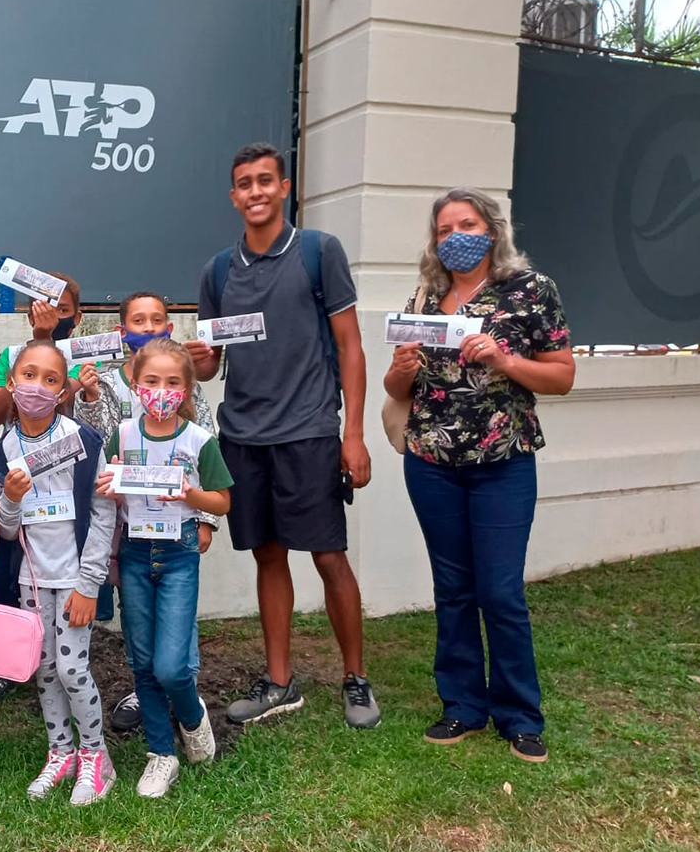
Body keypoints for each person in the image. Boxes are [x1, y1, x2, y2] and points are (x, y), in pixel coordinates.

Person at [186, 142, 380, 730]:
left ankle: (356, 678)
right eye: (244, 183)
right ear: (233, 196)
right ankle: (279, 682)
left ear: (285, 186)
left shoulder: (320, 252)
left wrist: (354, 434)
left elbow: (350, 346)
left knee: (329, 556)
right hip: (243, 436)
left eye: (265, 180)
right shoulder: (218, 271)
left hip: (310, 432)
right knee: (268, 556)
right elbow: (207, 367)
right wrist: (198, 357)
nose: (255, 192)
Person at [383, 187, 574, 763]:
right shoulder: (423, 298)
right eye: (444, 229)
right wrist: (398, 371)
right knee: (454, 588)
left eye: (466, 225)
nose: (455, 237)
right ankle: (462, 705)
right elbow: (401, 392)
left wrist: (505, 359)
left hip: (502, 464)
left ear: (491, 231)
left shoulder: (530, 292)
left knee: (501, 590)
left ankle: (520, 714)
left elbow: (562, 375)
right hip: (432, 463)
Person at [76, 290, 221, 733]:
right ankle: (149, 692)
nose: (148, 325)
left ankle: (184, 688)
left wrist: (205, 518)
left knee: (176, 619)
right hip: (131, 530)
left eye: (156, 318)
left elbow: (208, 459)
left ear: (169, 326)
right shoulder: (109, 385)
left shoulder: (187, 397)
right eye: (138, 319)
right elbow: (101, 442)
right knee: (138, 617)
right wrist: (88, 396)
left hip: (178, 528)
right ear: (122, 332)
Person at [97, 338, 231, 798]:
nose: (161, 390)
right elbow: (110, 493)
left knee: (172, 666)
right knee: (142, 661)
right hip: (134, 553)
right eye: (151, 381)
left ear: (188, 390)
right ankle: (161, 753)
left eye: (173, 382)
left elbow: (222, 500)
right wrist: (111, 487)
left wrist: (190, 495)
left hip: (178, 554)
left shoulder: (199, 441)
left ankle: (192, 719)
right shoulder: (123, 434)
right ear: (135, 385)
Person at [0, 342, 117, 804]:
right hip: (32, 579)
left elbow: (104, 514)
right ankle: (60, 753)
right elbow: (6, 530)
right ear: (11, 381)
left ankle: (96, 758)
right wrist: (11, 498)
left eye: (49, 379)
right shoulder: (3, 450)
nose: (37, 387)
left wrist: (89, 583)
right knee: (43, 668)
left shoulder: (83, 441)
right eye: (28, 374)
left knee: (72, 668)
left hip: (75, 578)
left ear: (63, 390)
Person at [0, 276, 84, 427]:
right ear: (31, 318)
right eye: (44, 309)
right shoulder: (11, 355)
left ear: (77, 318)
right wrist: (37, 345)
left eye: (62, 310)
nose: (52, 317)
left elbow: (63, 399)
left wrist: (44, 343)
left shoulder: (85, 356)